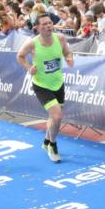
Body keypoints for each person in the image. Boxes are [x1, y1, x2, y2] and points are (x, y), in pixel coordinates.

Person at [17, 14, 75, 162]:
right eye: (44, 24)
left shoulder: (60, 38)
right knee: (57, 116)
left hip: (58, 83)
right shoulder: (32, 43)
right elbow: (20, 56)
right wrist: (29, 68)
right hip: (41, 85)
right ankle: (52, 145)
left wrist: (69, 58)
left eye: (50, 23)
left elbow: (67, 52)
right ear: (37, 27)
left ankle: (46, 141)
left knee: (53, 117)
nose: (48, 26)